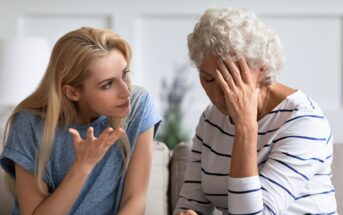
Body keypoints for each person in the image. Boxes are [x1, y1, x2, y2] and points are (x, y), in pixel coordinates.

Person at [174, 7, 337, 215]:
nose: (219, 93)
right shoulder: (211, 119)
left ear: (261, 69)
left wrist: (245, 126)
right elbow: (190, 204)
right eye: (208, 79)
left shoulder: (304, 121)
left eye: (232, 78)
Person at [0, 27, 161, 214]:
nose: (126, 91)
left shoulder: (138, 104)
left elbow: (135, 199)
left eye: (125, 74)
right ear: (72, 92)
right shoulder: (29, 124)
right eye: (108, 84)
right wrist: (82, 167)